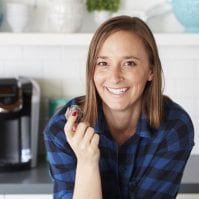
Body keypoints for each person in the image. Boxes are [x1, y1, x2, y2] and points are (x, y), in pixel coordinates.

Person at [44, 16, 194, 199]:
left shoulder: (173, 127)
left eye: (129, 63)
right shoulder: (62, 129)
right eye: (103, 63)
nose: (114, 77)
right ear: (92, 70)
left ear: (151, 71)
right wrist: (87, 162)